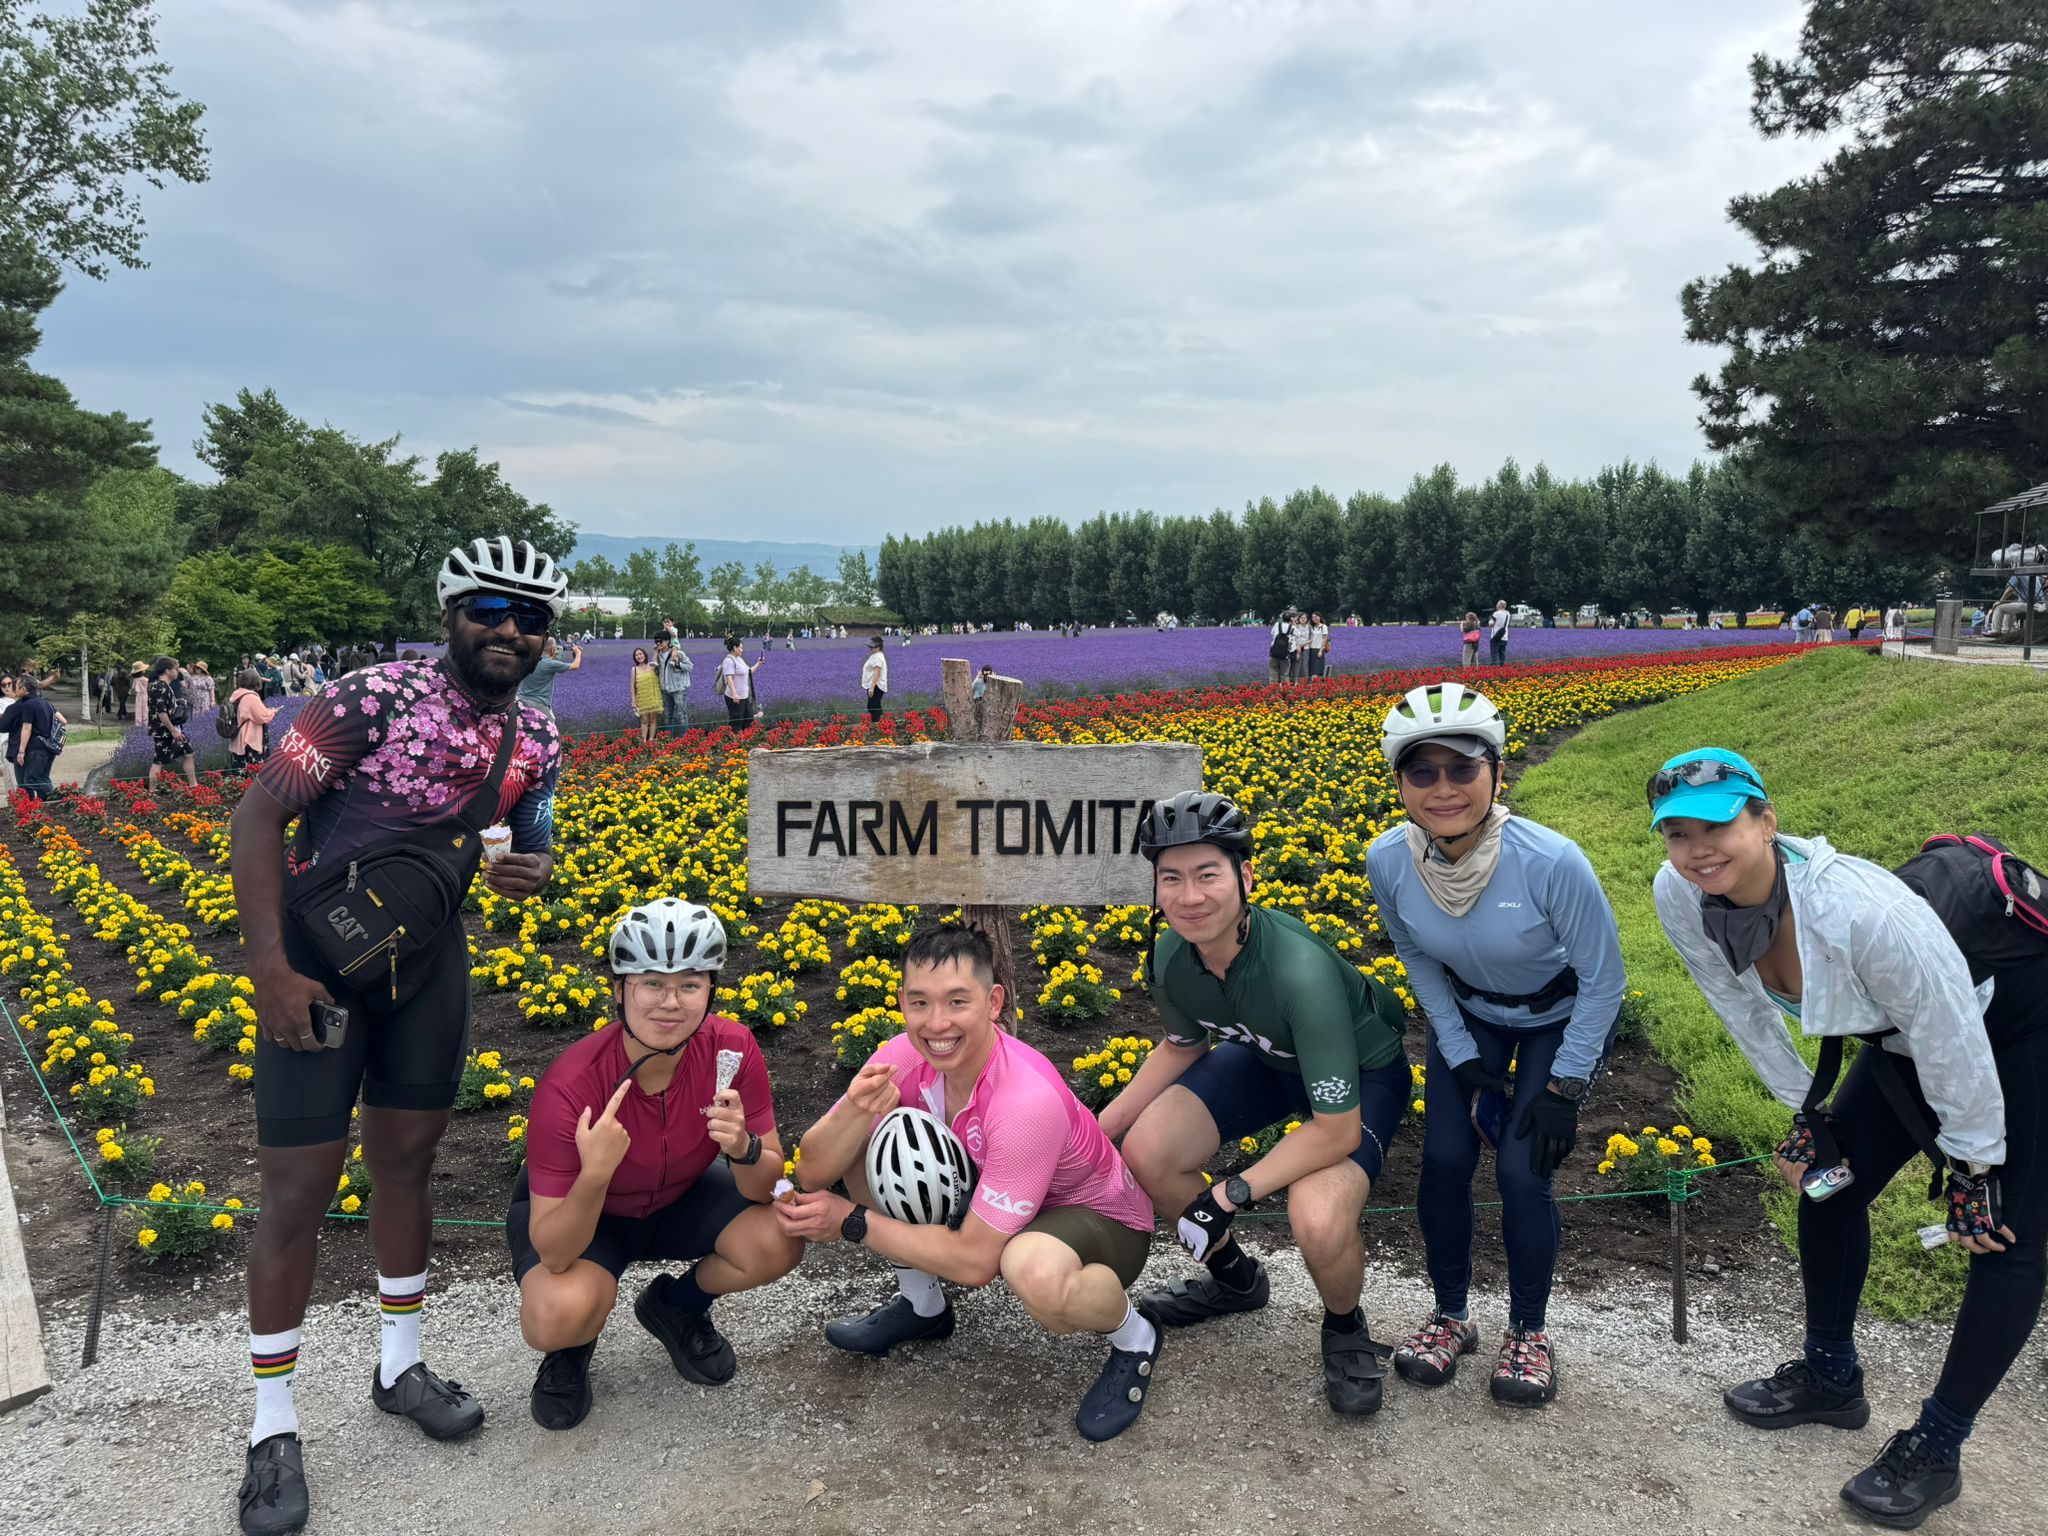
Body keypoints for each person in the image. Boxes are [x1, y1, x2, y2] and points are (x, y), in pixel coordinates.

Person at [228, 536, 566, 1536]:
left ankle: (400, 1365)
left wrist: (528, 871)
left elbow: (534, 845)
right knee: (295, 1192)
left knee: (409, 1168)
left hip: (426, 970)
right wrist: (269, 972)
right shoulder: (364, 699)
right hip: (315, 966)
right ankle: (271, 1424)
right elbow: (257, 822)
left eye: (532, 618)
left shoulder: (541, 734)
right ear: (451, 611)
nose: (509, 630)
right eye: (490, 609)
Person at [1648, 749, 2046, 1530]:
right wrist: (1808, 1112)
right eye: (1677, 832)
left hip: (2021, 1023)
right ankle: (1832, 1378)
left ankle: (1938, 1445)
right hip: (1904, 1033)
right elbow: (1739, 1006)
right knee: (1828, 1184)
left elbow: (1953, 1038)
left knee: (2005, 1235)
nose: (1699, 848)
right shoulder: (1684, 894)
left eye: (1720, 822)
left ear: (1766, 820)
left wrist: (1973, 1166)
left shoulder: (1864, 912)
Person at [776, 926, 1162, 1441]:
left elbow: (978, 1264)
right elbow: (814, 1172)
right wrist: (852, 1109)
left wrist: (851, 1222)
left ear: (993, 1002)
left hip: (1101, 1222)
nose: (937, 1023)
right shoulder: (902, 1057)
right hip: (996, 1201)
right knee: (870, 1143)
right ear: (902, 1003)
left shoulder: (1023, 1099)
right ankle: (923, 1306)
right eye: (920, 1003)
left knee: (1030, 1269)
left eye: (958, 1001)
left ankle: (1135, 1337)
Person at [1108, 792, 1413, 1415]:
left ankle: (1345, 1327)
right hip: (1270, 1059)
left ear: (1246, 876)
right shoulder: (1170, 953)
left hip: (1358, 1076)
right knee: (1148, 1150)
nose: (1190, 896)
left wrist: (1227, 1195)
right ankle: (1236, 1283)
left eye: (1207, 874)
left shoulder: (1297, 969)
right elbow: (1180, 1046)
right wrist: (1087, 1131)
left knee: (1318, 1214)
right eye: (1172, 878)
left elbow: (1334, 1132)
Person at [1364, 684, 1625, 1406]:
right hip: (1473, 1015)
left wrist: (1566, 1088)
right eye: (1422, 772)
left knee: (1521, 1171)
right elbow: (1415, 955)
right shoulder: (1388, 860)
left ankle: (1529, 1330)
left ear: (1497, 774)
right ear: (1401, 784)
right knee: (1444, 1158)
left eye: (1463, 768)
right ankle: (1451, 1317)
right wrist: (1459, 1050)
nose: (1443, 788)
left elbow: (1606, 980)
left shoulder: (1552, 861)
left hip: (1556, 1017)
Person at [511, 899, 801, 1430]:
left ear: (710, 990)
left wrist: (744, 1149)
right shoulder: (571, 1084)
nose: (671, 1003)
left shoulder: (732, 1049)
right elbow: (553, 1252)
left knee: (780, 1236)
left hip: (679, 1197)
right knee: (554, 1315)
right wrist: (595, 1174)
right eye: (651, 984)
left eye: (690, 985)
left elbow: (769, 1186)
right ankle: (572, 1350)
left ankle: (676, 1306)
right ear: (619, 989)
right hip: (588, 1218)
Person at [146, 656, 199, 789]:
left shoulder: (163, 686)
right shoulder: (160, 687)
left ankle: (194, 785)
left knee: (188, 752)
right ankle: (152, 792)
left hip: (170, 729)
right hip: (165, 731)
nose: (177, 672)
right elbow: (161, 712)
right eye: (175, 669)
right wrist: (173, 731)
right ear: (167, 670)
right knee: (158, 761)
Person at [4, 676, 58, 800]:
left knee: (32, 780)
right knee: (41, 778)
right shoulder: (46, 703)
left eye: (16, 687)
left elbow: (27, 728)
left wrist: (21, 751)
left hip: (35, 748)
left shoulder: (27, 705)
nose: (14, 690)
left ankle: (60, 798)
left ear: (24, 689)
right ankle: (47, 806)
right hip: (49, 747)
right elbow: (63, 721)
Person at [518, 635, 582, 722]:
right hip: (539, 704)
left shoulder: (528, 660)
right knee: (548, 730)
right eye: (556, 647)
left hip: (520, 702)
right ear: (552, 649)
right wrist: (578, 654)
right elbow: (575, 666)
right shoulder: (551, 664)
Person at [227, 669, 276, 776]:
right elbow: (262, 716)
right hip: (249, 738)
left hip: (238, 736)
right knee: (253, 771)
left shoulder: (238, 694)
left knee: (239, 769)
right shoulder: (250, 697)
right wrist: (272, 711)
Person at [717, 636, 759, 734]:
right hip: (734, 697)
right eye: (741, 647)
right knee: (736, 721)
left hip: (744, 696)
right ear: (735, 648)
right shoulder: (728, 661)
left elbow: (748, 672)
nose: (742, 650)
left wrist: (759, 663)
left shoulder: (739, 659)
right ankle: (734, 743)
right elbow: (729, 679)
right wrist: (735, 694)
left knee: (748, 719)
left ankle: (746, 740)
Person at [653, 633, 692, 736]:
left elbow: (690, 666)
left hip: (678, 689)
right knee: (668, 715)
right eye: (656, 641)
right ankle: (669, 739)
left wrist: (678, 664)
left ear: (667, 641)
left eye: (660, 641)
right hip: (665, 689)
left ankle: (683, 739)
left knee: (681, 715)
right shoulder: (659, 655)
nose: (658, 643)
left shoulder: (678, 653)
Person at [628, 646, 660, 745]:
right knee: (644, 720)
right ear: (635, 658)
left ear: (645, 655)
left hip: (653, 696)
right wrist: (634, 701)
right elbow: (632, 687)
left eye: (640, 654)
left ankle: (651, 740)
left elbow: (655, 659)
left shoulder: (651, 666)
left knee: (653, 720)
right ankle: (643, 741)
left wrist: (656, 650)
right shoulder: (634, 669)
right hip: (642, 697)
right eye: (636, 655)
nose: (639, 656)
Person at [861, 636, 887, 723]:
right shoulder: (875, 655)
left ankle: (878, 725)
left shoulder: (878, 657)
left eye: (872, 647)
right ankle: (878, 724)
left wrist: (872, 687)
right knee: (871, 706)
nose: (870, 648)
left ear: (878, 647)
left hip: (876, 686)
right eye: (870, 646)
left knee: (874, 707)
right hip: (873, 685)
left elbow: (877, 672)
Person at [1288, 611, 1312, 684]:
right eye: (1301, 618)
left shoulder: (1310, 627)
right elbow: (1293, 638)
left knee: (1305, 665)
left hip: (1306, 648)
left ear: (1307, 619)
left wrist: (1304, 644)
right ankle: (1295, 681)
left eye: (1304, 618)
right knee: (1296, 665)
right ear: (1299, 619)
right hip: (1297, 648)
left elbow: (1311, 638)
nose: (1303, 619)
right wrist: (1298, 647)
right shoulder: (1296, 627)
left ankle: (1304, 681)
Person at [1487, 600, 1511, 666]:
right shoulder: (1508, 613)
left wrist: (1490, 620)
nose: (1496, 606)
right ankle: (1502, 667)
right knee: (1502, 653)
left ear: (1500, 605)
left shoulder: (1496, 613)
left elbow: (1491, 623)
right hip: (1504, 636)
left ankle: (1494, 666)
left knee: (1494, 653)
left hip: (1496, 636)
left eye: (1497, 604)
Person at [1308, 612, 1331, 678]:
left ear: (1320, 617)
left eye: (1316, 616)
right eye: (1313, 617)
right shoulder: (1313, 627)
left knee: (1317, 668)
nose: (1314, 618)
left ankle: (1314, 683)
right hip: (1311, 648)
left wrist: (1321, 650)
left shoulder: (1323, 626)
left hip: (1318, 649)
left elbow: (1325, 638)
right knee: (1312, 668)